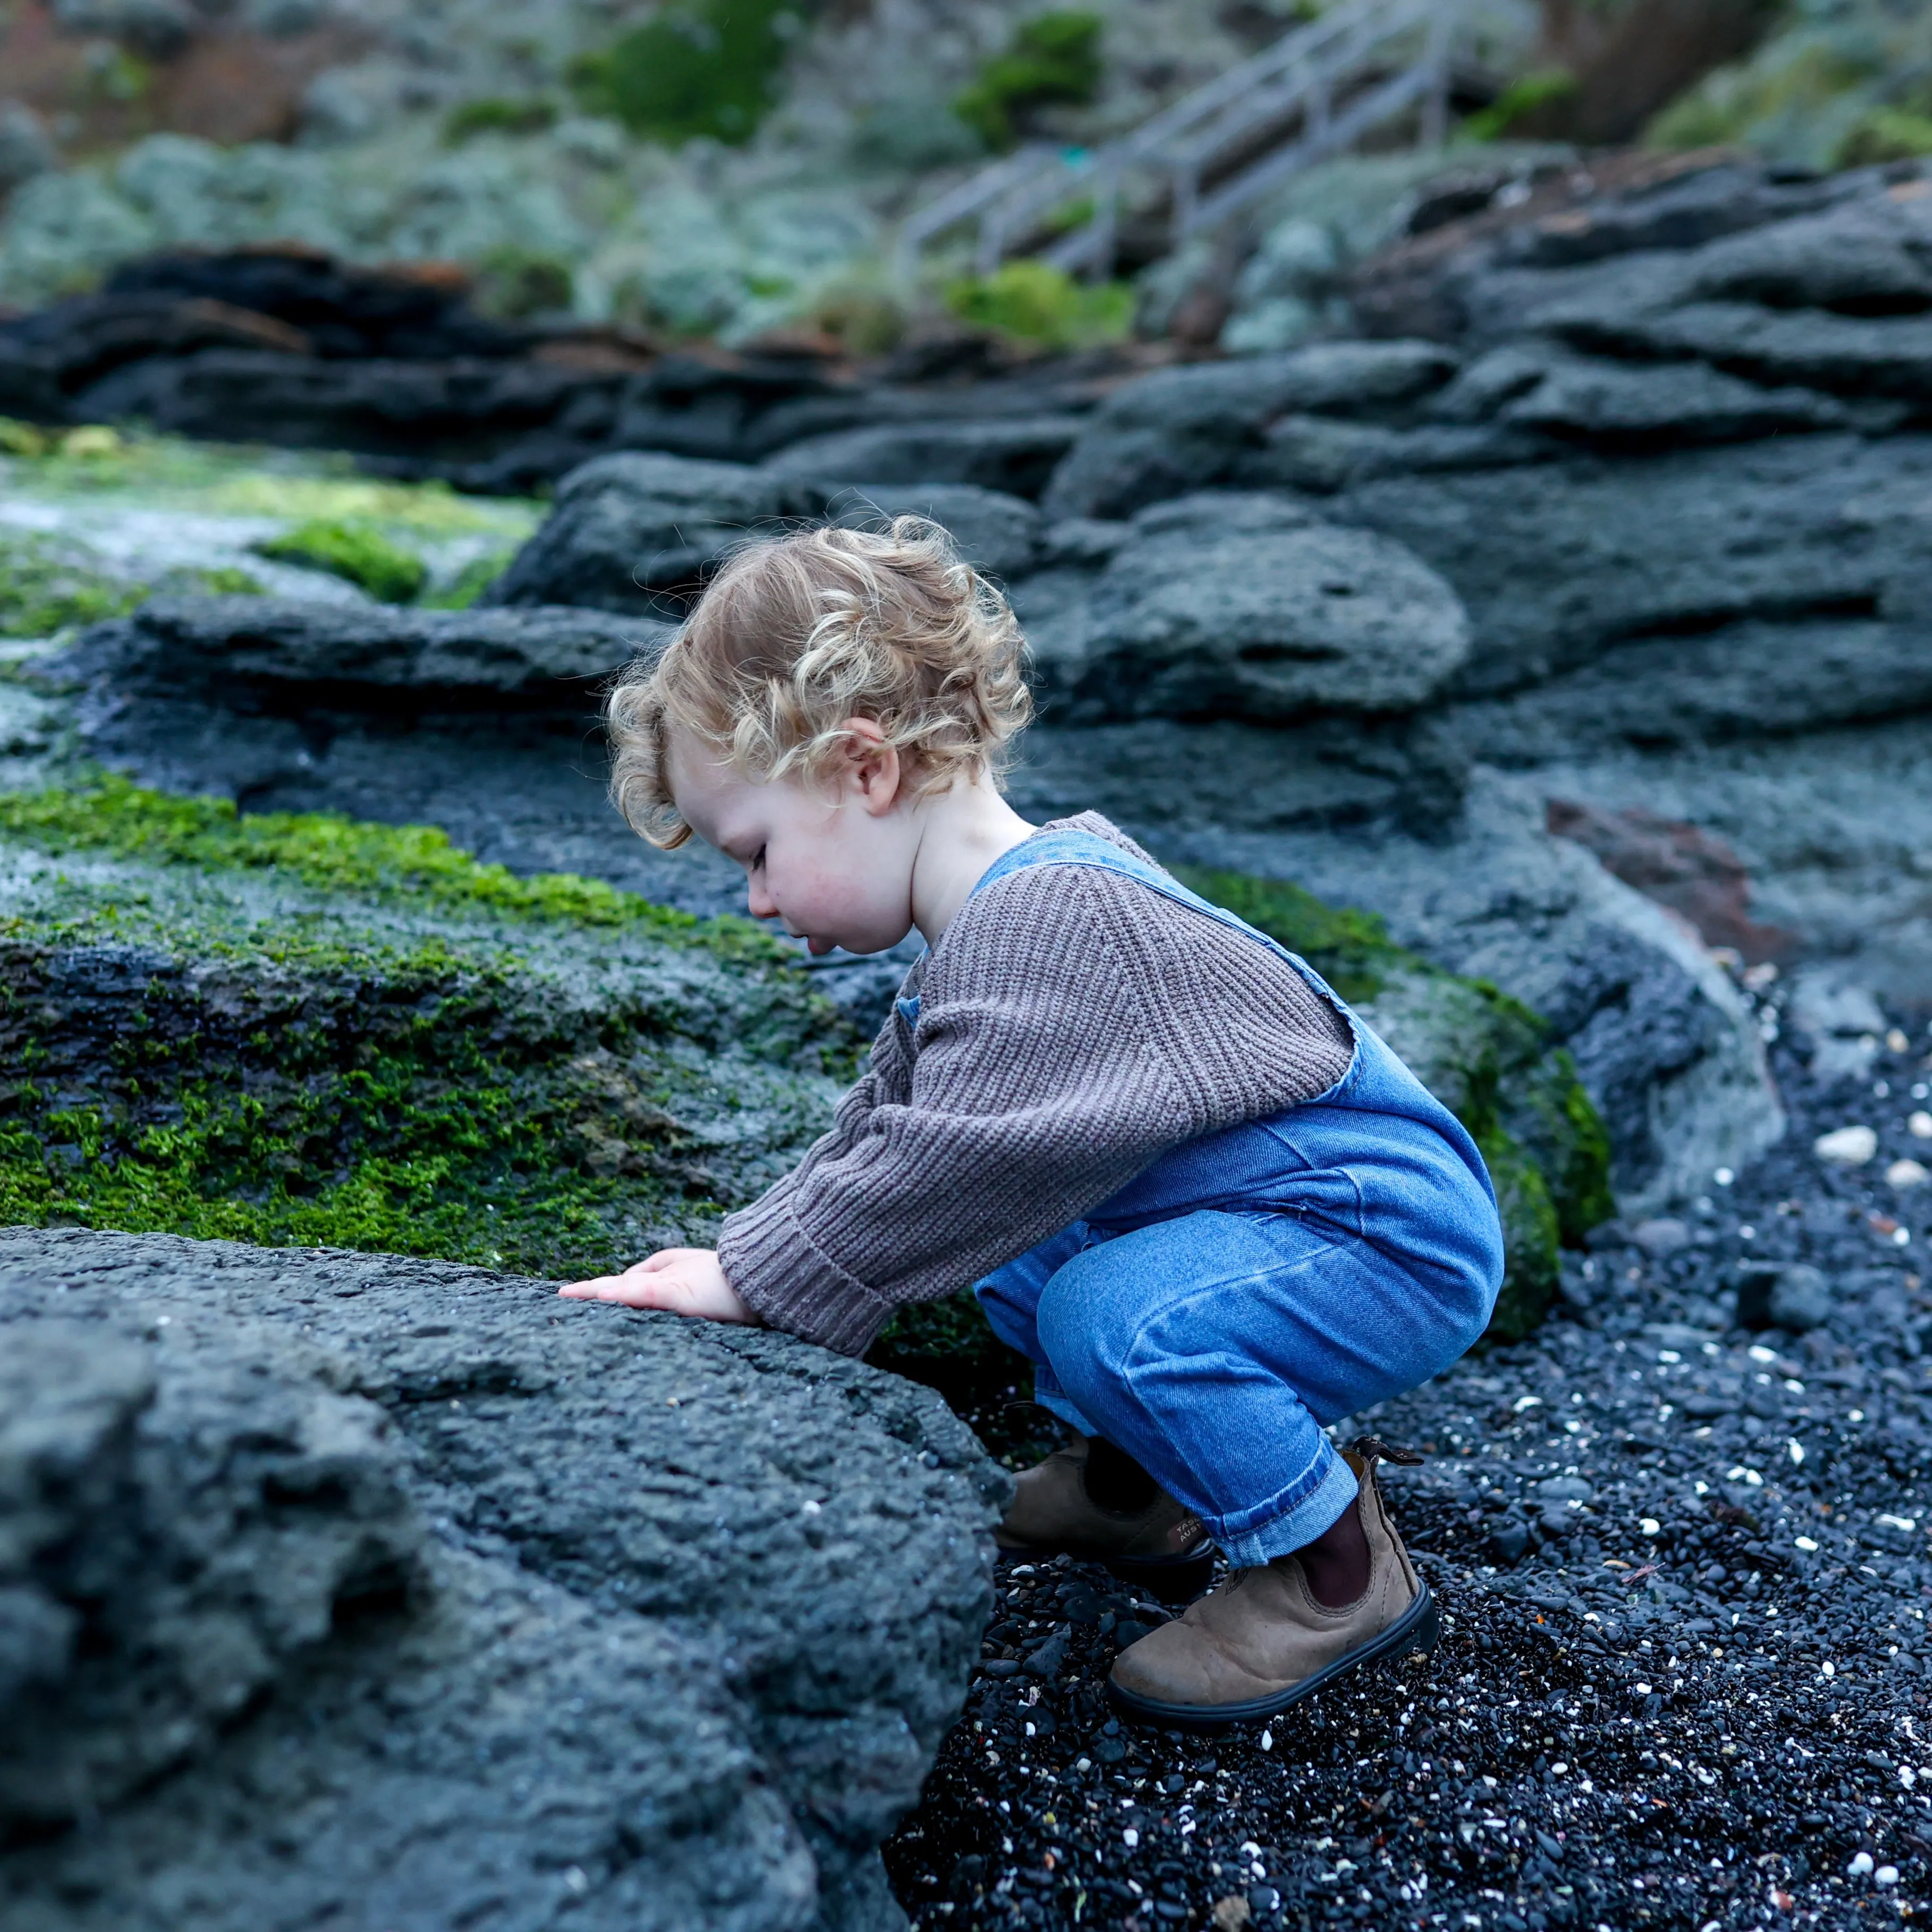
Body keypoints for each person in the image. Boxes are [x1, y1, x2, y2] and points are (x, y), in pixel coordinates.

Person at [561, 515, 1505, 1729]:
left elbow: (944, 1163)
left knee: (1108, 1314)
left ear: (865, 769)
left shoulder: (1057, 920)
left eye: (756, 852)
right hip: (1282, 1215)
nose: (754, 900)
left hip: (1381, 1235)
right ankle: (1138, 1487)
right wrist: (745, 1258)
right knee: (1022, 1252)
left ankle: (1334, 1571)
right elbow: (891, 1128)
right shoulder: (993, 926)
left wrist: (754, 1280)